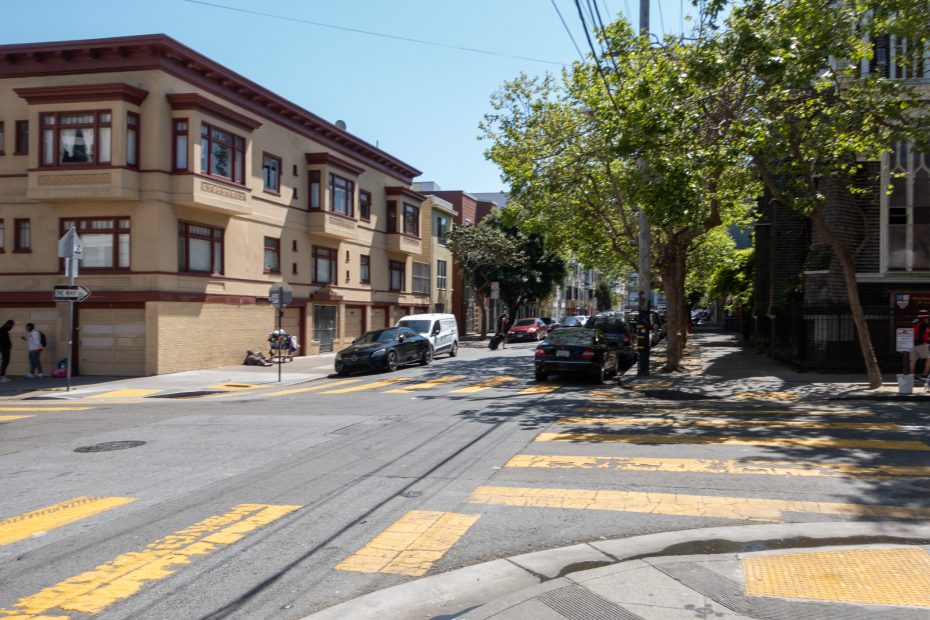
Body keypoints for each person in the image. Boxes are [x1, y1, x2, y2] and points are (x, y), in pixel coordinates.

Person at [911, 309, 930, 383]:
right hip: (921, 344)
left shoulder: (914, 322)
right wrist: (927, 341)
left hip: (912, 343)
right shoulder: (924, 324)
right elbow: (921, 335)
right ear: (925, 317)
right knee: (929, 359)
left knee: (913, 360)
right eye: (927, 317)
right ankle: (924, 375)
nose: (928, 319)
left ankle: (912, 376)